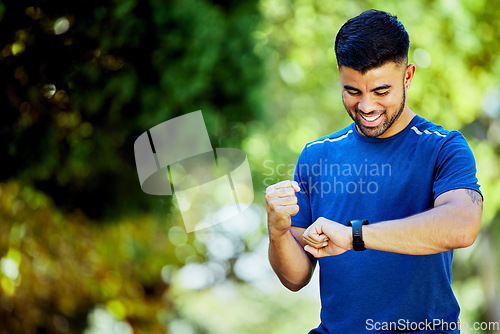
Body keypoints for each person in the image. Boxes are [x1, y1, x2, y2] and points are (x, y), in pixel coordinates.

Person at [265, 9, 483, 334]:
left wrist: (355, 236)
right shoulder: (316, 156)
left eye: (381, 91)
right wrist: (278, 232)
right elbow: (295, 278)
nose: (366, 106)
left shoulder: (443, 148)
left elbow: (462, 226)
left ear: (408, 76)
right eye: (353, 91)